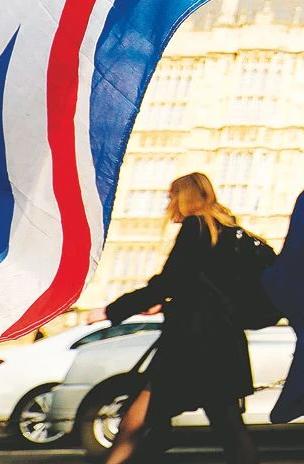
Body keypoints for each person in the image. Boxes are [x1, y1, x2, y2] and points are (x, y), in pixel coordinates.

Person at [104, 172, 260, 464]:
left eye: (171, 196)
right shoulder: (227, 231)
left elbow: (170, 281)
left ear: (184, 196)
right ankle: (160, 434)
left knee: (135, 420)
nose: (168, 204)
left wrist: (113, 309)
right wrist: (165, 304)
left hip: (190, 345)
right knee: (230, 428)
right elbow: (203, 289)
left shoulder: (196, 226)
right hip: (223, 344)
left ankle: (156, 438)